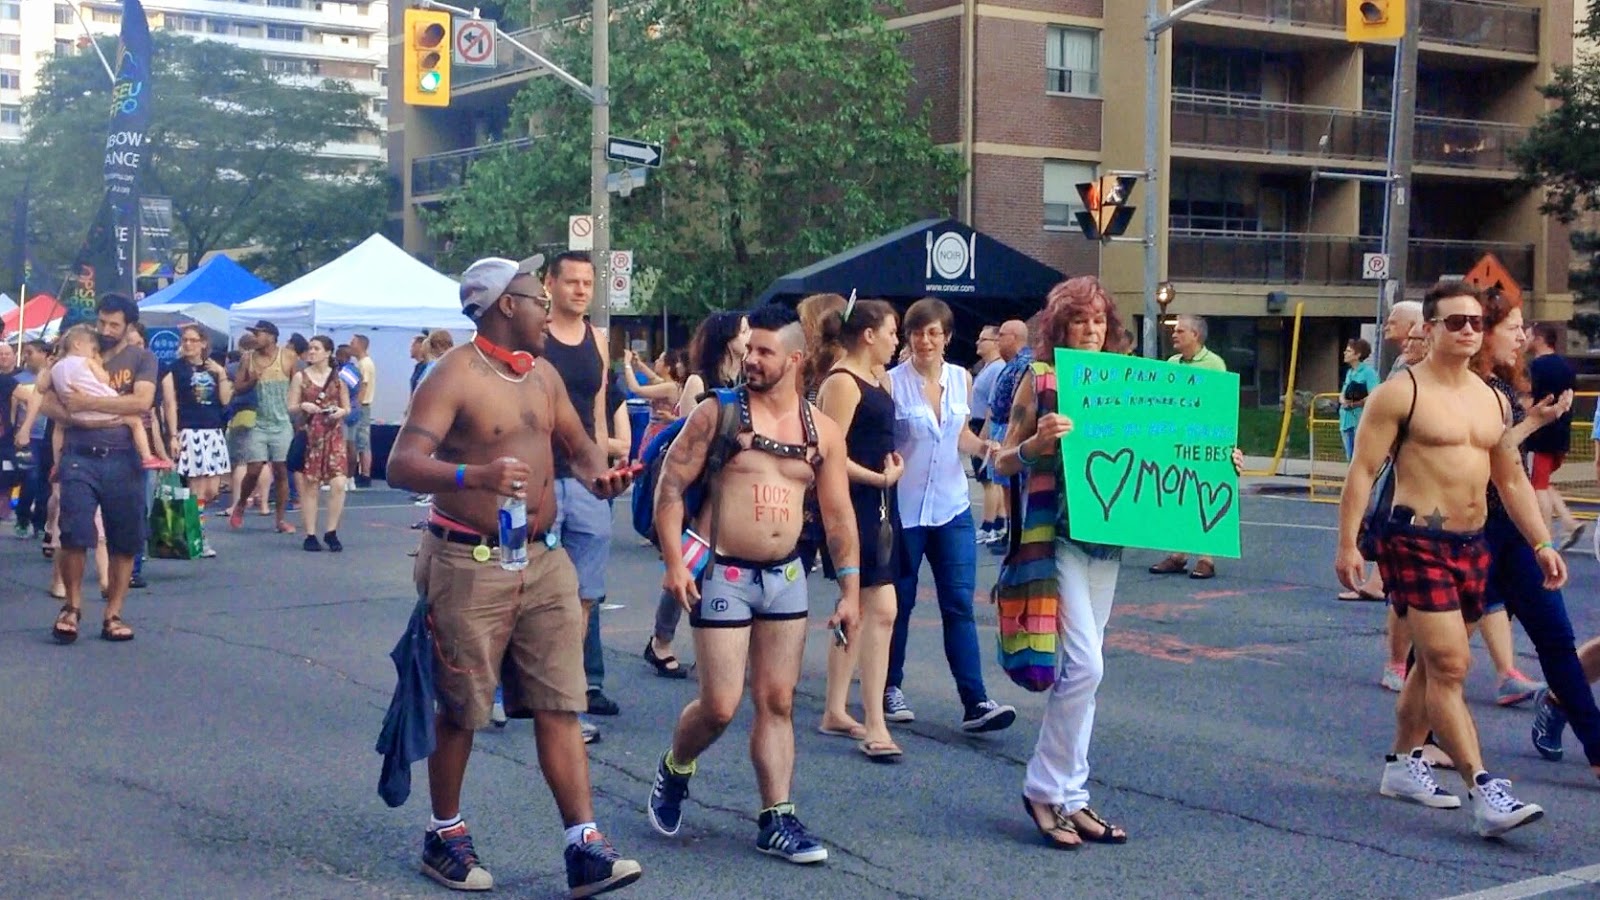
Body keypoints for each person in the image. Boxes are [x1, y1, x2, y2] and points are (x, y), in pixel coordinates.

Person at [386, 255, 641, 897]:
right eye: (536, 298)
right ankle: (444, 833)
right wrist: (474, 476)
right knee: (462, 707)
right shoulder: (453, 374)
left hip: (544, 560)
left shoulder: (543, 374)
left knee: (561, 699)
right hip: (468, 562)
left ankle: (583, 843)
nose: (547, 310)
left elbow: (578, 447)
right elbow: (401, 463)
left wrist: (600, 476)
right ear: (506, 305)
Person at [1336, 281, 1561, 838]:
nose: (1467, 330)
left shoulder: (1493, 398)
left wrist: (1542, 543)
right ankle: (1485, 790)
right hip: (1416, 541)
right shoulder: (1401, 393)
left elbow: (1510, 478)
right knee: (1452, 665)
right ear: (1430, 329)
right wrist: (1347, 544)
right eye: (1455, 321)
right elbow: (1362, 470)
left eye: (1475, 322)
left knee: (1431, 668)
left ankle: (1401, 765)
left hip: (1473, 544)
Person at [646, 302, 861, 864]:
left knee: (777, 700)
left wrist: (850, 591)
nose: (752, 360)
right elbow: (669, 488)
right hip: (723, 572)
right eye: (749, 349)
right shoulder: (716, 414)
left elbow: (838, 516)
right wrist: (675, 562)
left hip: (786, 575)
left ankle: (777, 818)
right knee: (720, 705)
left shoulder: (822, 432)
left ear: (795, 359)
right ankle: (676, 767)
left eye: (765, 351)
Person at [994, 277, 1136, 848]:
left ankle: (1071, 795)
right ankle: (1044, 787)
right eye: (1080, 320)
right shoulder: (1041, 378)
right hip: (1056, 534)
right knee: (1086, 667)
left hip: (1107, 538)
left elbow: (1163, 447)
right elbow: (999, 461)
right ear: (1060, 327)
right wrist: (1036, 446)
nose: (1092, 330)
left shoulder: (1128, 380)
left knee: (1086, 672)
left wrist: (1215, 459)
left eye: (1099, 320)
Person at [883, 298, 1015, 732]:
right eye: (917, 333)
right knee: (898, 603)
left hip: (952, 507)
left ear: (947, 337)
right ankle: (889, 686)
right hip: (904, 510)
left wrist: (983, 447)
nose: (925, 341)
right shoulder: (891, 383)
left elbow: (960, 433)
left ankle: (975, 701)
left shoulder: (961, 378)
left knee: (958, 604)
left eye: (933, 333)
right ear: (908, 337)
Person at [813, 297, 905, 760]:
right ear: (868, 335)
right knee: (882, 608)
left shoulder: (874, 377)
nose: (896, 341)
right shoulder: (842, 382)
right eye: (891, 332)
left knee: (863, 609)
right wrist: (878, 478)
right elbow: (829, 454)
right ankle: (875, 722)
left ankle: (835, 708)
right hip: (853, 504)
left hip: (880, 501)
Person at [39, 294, 159, 644]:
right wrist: (82, 418)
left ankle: (113, 614)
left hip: (124, 457)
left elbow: (141, 401)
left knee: (124, 539)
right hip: (80, 454)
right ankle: (72, 607)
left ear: (129, 326)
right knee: (74, 532)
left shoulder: (142, 358)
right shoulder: (76, 350)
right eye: (102, 322)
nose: (106, 330)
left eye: (114, 325)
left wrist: (87, 402)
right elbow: (46, 402)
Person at [540, 251, 620, 728]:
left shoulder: (598, 339)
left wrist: (603, 469)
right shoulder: (535, 336)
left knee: (584, 595)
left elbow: (598, 410)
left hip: (586, 480)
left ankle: (568, 695)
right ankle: (508, 686)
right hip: (541, 477)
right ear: (549, 284)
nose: (581, 290)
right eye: (571, 281)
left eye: (588, 283)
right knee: (526, 588)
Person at [645, 311, 750, 676]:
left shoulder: (744, 379)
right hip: (699, 487)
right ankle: (661, 640)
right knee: (689, 562)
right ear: (727, 337)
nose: (750, 336)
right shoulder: (698, 380)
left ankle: (724, 644)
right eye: (744, 330)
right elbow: (687, 439)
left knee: (727, 566)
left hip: (731, 487)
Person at [1149, 314, 1229, 579]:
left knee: (1204, 496)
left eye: (1180, 331)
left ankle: (1206, 558)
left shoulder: (1214, 364)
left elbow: (1221, 406)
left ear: (1196, 335)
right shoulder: (1172, 363)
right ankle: (1178, 554)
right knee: (1177, 496)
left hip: (1203, 442)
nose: (1174, 334)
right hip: (1175, 441)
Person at [49, 325, 167, 470]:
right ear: (78, 344)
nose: (94, 354)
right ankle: (147, 457)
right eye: (93, 350)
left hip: (75, 414)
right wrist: (98, 365)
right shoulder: (87, 361)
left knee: (59, 426)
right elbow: (104, 379)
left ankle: (56, 463)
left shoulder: (55, 367)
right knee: (136, 421)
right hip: (104, 411)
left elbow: (42, 389)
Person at [161, 324, 233, 558]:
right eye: (185, 340)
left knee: (211, 490)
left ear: (203, 343)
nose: (188, 344)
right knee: (196, 489)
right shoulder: (175, 369)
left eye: (193, 340)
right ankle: (198, 536)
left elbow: (225, 400)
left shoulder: (214, 367)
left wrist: (222, 374)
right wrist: (173, 435)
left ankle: (190, 527)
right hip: (190, 430)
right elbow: (170, 403)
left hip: (213, 430)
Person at [230, 320, 298, 534]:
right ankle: (241, 502)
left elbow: (298, 385)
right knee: (254, 469)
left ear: (271, 336)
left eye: (258, 334)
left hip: (282, 422)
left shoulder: (288, 356)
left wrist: (299, 416)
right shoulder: (248, 358)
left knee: (281, 471)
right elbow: (237, 387)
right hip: (259, 422)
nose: (254, 338)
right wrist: (252, 381)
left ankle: (280, 520)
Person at [288, 335, 351, 552]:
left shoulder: (338, 378)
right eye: (310, 348)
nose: (311, 352)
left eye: (316, 348)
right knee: (310, 485)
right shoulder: (301, 377)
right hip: (311, 435)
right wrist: (303, 405)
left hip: (333, 434)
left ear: (328, 352)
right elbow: (291, 406)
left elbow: (347, 407)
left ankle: (331, 531)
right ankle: (310, 533)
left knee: (339, 483)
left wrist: (340, 411)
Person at [1524, 322, 1583, 550]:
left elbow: (1528, 400)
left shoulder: (1534, 367)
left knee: (1538, 486)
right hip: (1561, 432)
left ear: (1539, 339)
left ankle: (1545, 537)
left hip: (1539, 434)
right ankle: (1569, 522)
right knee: (1543, 482)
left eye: (1529, 335)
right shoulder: (1567, 367)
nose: (1525, 339)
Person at [979, 319, 1032, 551]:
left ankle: (1014, 534)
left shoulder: (1024, 364)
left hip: (1010, 429)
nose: (998, 340)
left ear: (1014, 337)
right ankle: (1010, 531)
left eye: (1001, 335)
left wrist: (1010, 434)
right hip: (1001, 427)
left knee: (1011, 484)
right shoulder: (1012, 363)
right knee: (1004, 484)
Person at [11, 340, 52, 541]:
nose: (26, 356)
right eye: (25, 353)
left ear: (44, 354)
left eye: (30, 352)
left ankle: (40, 521)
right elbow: (12, 409)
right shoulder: (19, 379)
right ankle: (23, 517)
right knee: (31, 476)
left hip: (50, 434)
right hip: (29, 436)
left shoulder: (53, 377)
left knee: (47, 480)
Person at [969, 325, 1003, 542]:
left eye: (983, 339)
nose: (978, 343)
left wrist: (982, 436)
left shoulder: (997, 368)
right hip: (978, 423)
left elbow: (993, 405)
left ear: (996, 343)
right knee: (990, 479)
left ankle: (988, 525)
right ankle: (998, 523)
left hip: (984, 425)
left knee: (988, 480)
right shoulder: (987, 368)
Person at [1338, 339, 1381, 460]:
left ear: (1358, 355)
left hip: (1360, 420)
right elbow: (1343, 393)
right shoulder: (1350, 372)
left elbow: (1374, 395)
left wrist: (1356, 403)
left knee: (1358, 458)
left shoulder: (1369, 373)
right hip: (1346, 421)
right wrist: (1343, 400)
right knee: (1350, 456)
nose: (1345, 353)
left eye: (1349, 351)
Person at [351, 333, 378, 489]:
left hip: (362, 405)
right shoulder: (362, 363)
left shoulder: (365, 364)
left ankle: (365, 474)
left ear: (360, 345)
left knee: (362, 440)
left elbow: (364, 385)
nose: (351, 346)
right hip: (361, 405)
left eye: (353, 343)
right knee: (359, 440)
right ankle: (362, 472)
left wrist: (357, 404)